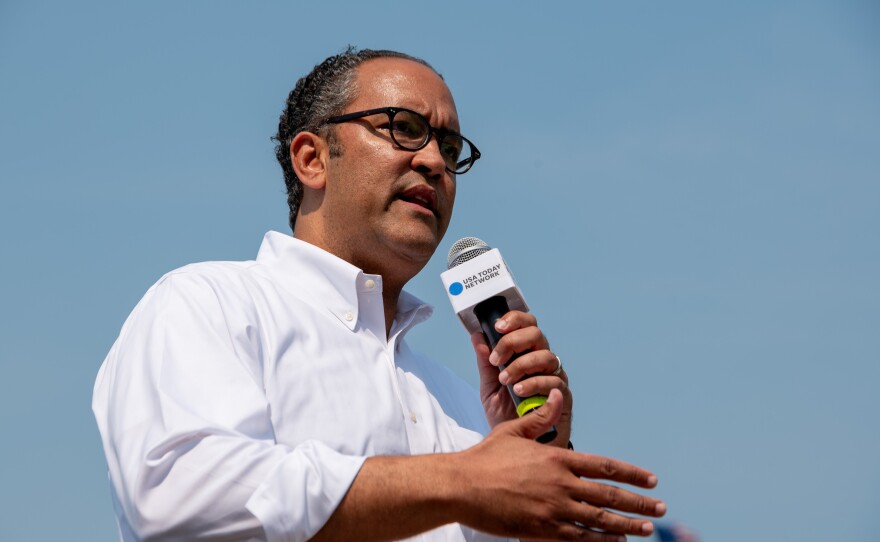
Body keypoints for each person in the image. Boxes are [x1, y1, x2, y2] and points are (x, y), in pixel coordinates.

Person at [93, 47, 666, 542]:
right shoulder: (209, 305)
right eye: (405, 127)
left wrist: (546, 463)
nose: (435, 161)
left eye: (449, 144)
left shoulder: (464, 411)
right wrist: (462, 482)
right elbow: (177, 501)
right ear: (312, 158)